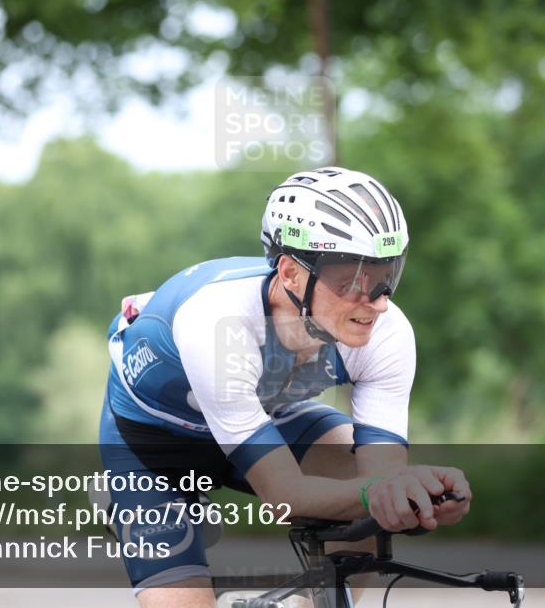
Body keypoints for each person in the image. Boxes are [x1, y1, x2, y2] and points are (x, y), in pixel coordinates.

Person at [98, 166, 471, 607]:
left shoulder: (387, 331)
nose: (377, 301)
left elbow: (378, 483)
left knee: (366, 507)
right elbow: (284, 496)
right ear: (291, 273)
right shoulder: (218, 323)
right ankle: (124, 500)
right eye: (352, 280)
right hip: (155, 443)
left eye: (386, 275)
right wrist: (381, 494)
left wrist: (414, 500)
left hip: (265, 415)